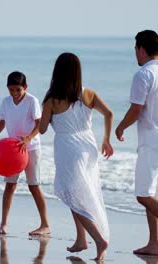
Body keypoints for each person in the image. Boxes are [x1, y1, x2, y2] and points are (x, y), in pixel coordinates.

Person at [38, 52, 114, 261]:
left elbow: (43, 129)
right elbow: (109, 113)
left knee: (71, 194)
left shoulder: (52, 99)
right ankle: (81, 239)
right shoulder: (87, 93)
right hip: (88, 146)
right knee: (79, 193)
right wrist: (106, 139)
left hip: (68, 148)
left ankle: (98, 239)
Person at [0, 71, 50, 236]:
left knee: (34, 186)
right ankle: (3, 224)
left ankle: (45, 224)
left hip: (31, 148)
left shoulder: (32, 101)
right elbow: (2, 122)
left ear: (25, 87)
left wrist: (29, 138)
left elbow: (40, 124)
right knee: (10, 186)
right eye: (11, 90)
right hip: (12, 151)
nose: (14, 94)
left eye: (18, 90)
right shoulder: (6, 102)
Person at [115, 30, 158, 256]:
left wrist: (120, 127)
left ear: (141, 49)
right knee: (151, 194)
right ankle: (155, 244)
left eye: (135, 49)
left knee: (143, 195)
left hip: (151, 143)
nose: (135, 54)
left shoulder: (143, 74)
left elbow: (136, 109)